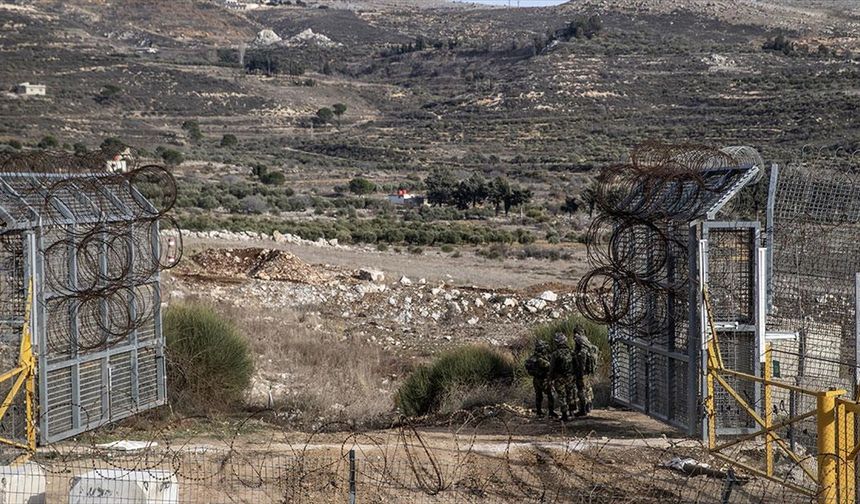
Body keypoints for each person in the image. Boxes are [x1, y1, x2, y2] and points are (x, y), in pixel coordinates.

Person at [549, 332, 579, 421]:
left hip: (559, 378)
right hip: (570, 377)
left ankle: (564, 415)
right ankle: (572, 412)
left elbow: (551, 368)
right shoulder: (571, 352)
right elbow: (576, 365)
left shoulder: (555, 354)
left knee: (562, 396)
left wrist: (550, 379)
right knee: (571, 394)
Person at [524, 339, 555, 418]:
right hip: (543, 379)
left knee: (538, 396)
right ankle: (551, 412)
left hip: (536, 380)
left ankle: (539, 412)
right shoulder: (540, 359)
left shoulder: (533, 357)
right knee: (551, 394)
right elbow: (549, 366)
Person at [573, 329, 599, 416]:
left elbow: (581, 363)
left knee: (581, 390)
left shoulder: (579, 343)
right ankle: (589, 406)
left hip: (582, 372)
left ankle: (583, 409)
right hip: (587, 372)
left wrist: (579, 373)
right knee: (588, 388)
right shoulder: (587, 342)